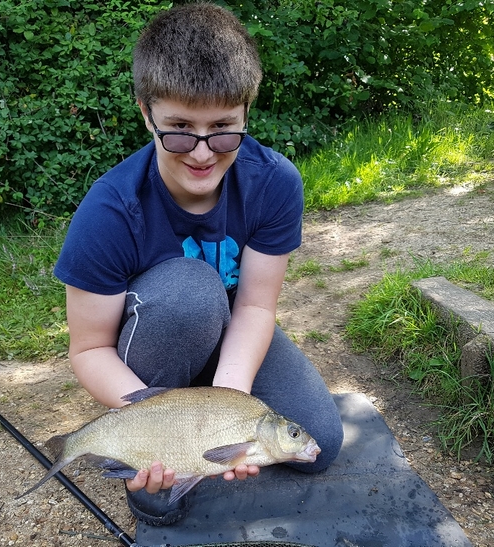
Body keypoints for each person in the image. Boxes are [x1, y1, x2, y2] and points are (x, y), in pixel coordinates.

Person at [53, 1, 344, 526]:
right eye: (180, 128)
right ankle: (150, 479)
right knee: (191, 289)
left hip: (234, 333)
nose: (203, 153)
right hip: (158, 345)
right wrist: (159, 423)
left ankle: (209, 410)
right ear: (146, 112)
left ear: (246, 114)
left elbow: (256, 305)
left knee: (319, 439)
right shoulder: (109, 210)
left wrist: (227, 407)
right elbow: (89, 347)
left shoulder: (275, 182)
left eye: (225, 129)